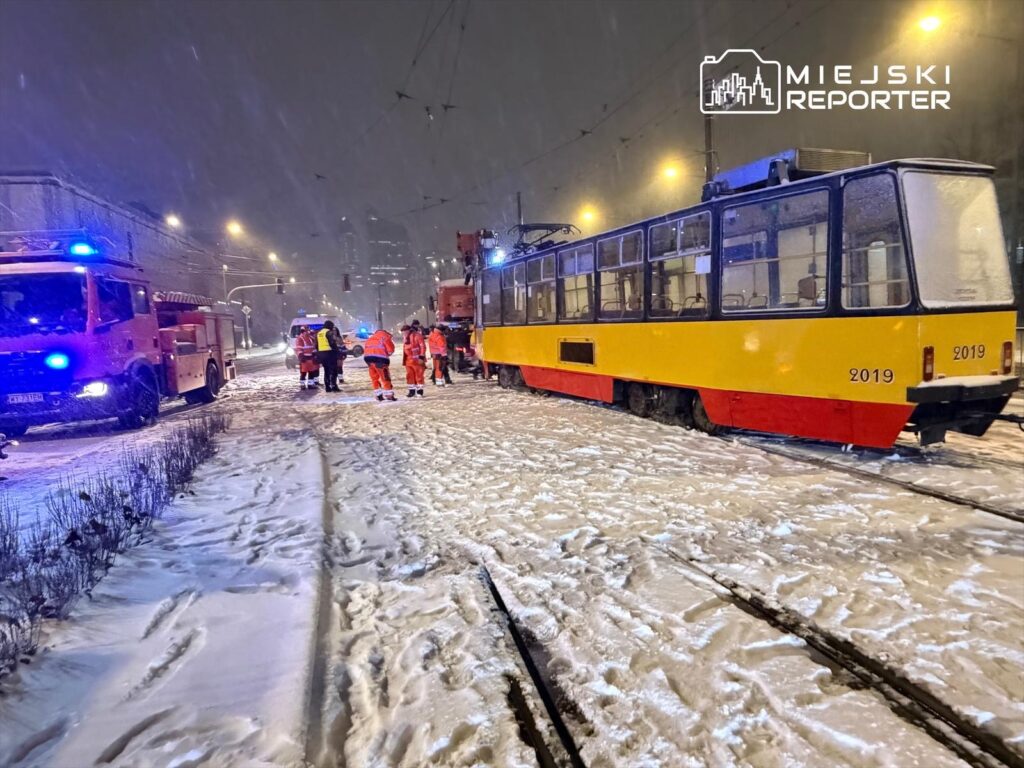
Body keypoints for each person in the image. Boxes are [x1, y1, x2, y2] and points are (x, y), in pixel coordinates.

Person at [363, 326, 396, 401]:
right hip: (380, 360)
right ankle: (389, 395)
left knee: (374, 378)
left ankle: (378, 395)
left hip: (368, 359)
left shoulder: (370, 338)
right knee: (385, 377)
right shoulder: (385, 337)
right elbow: (390, 350)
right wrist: (387, 354)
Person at [402, 320, 426, 397]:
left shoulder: (417, 335)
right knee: (409, 376)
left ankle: (419, 391)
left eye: (405, 331)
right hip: (408, 360)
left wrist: (421, 357)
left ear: (409, 330)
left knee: (419, 376)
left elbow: (422, 346)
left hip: (416, 360)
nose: (404, 333)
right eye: (403, 332)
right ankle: (411, 391)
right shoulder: (405, 337)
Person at [316, 320, 342, 392]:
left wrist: (318, 354)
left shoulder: (319, 333)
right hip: (330, 353)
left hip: (322, 354)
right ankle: (334, 386)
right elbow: (332, 343)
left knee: (326, 370)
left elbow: (316, 345)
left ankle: (327, 387)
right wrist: (337, 351)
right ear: (329, 326)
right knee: (334, 370)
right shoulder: (329, 332)